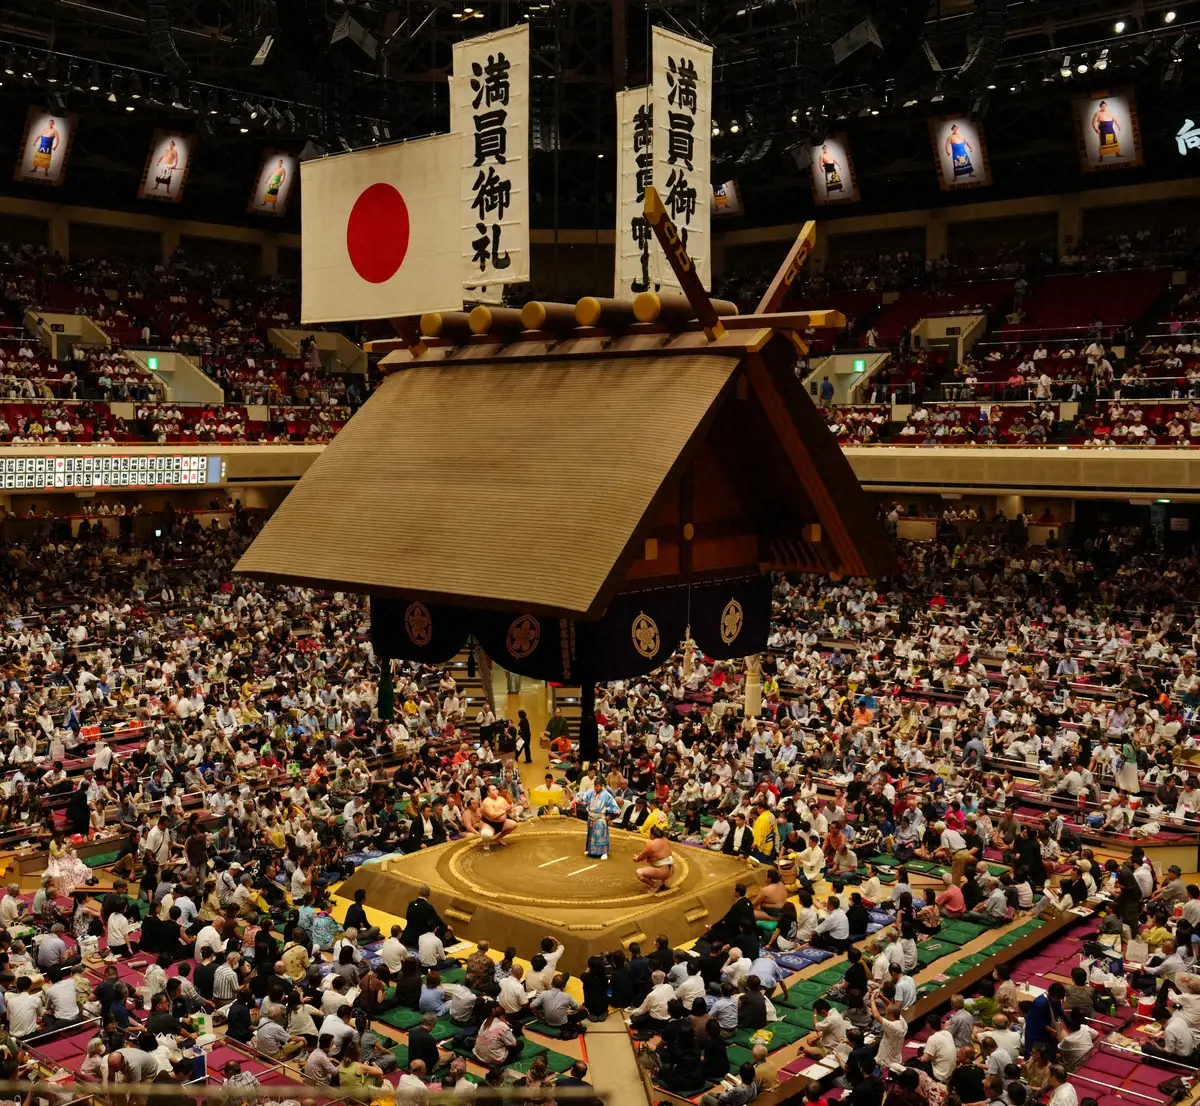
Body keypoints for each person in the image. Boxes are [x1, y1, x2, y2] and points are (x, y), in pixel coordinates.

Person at [580, 781, 620, 859]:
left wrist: (609, 816)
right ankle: (590, 850)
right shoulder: (591, 793)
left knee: (601, 836)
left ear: (602, 786)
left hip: (600, 819)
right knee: (591, 835)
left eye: (598, 786)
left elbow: (615, 807)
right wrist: (576, 799)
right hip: (591, 818)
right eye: (595, 786)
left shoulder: (607, 795)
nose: (596, 788)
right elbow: (582, 797)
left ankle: (604, 852)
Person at [633, 827, 674, 892]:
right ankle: (664, 883)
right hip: (671, 869)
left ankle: (655, 885)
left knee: (639, 873)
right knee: (659, 863)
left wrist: (636, 858)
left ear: (652, 835)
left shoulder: (651, 844)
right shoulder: (665, 839)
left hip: (662, 872)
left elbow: (640, 858)